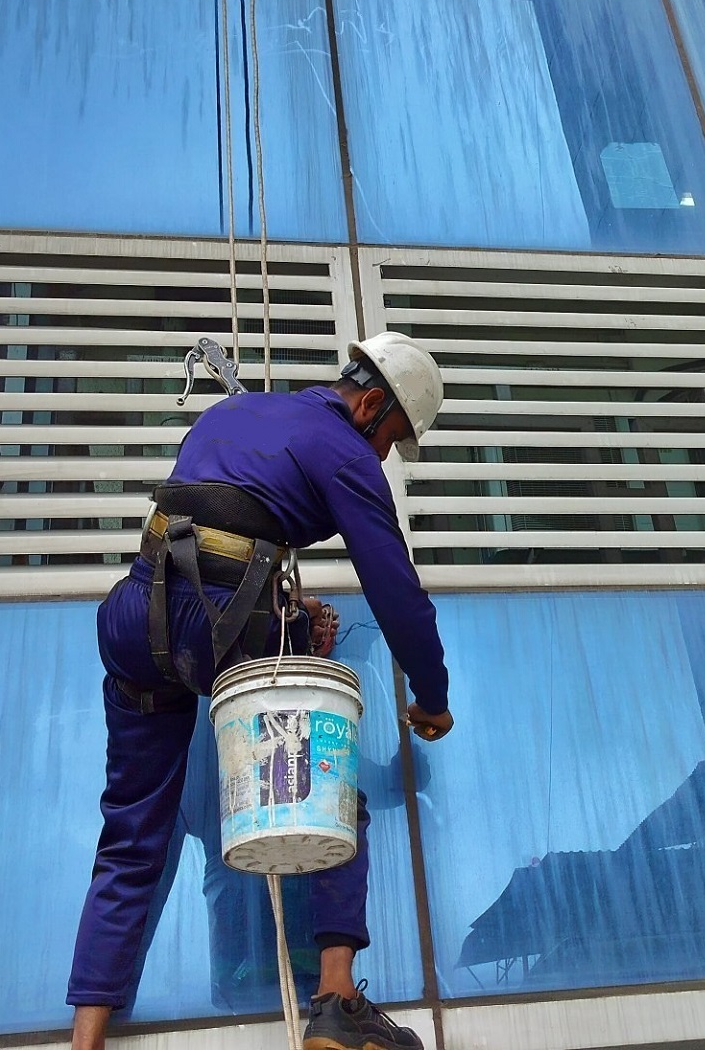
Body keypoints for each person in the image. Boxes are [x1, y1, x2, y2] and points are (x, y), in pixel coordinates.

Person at [69, 332, 454, 1050]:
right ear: (369, 404)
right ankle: (336, 1000)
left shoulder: (235, 415)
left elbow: (214, 537)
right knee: (333, 794)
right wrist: (431, 696)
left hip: (134, 618)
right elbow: (397, 593)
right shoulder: (344, 450)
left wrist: (289, 613)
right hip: (212, 625)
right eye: (391, 440)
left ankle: (85, 1038)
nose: (383, 457)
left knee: (132, 832)